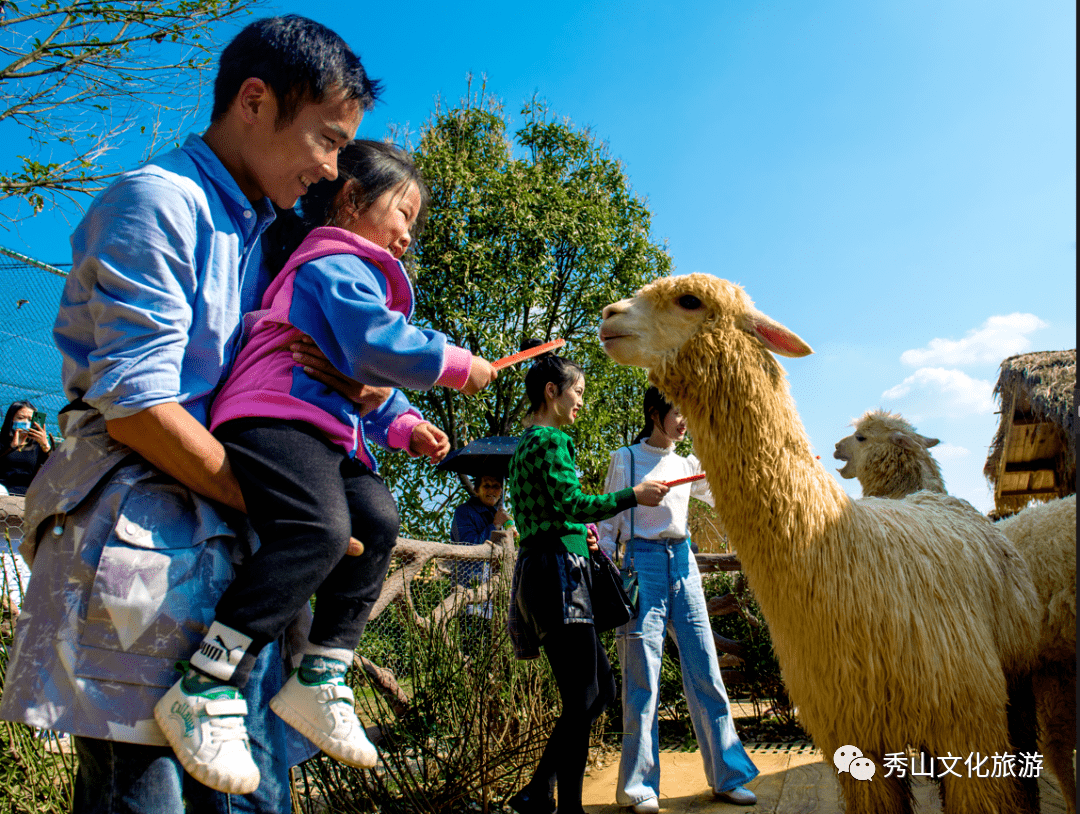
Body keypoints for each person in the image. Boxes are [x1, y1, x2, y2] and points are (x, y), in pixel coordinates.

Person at [0, 15, 385, 813]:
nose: (332, 167)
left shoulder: (272, 240)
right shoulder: (158, 204)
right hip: (141, 542)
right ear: (254, 100)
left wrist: (354, 384)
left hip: (231, 561)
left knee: (251, 794)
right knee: (146, 795)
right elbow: (139, 408)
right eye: (324, 139)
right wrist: (289, 516)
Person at [153, 138, 497, 792]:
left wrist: (405, 425)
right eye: (404, 212)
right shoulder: (332, 260)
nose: (408, 233)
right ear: (352, 198)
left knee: (376, 515)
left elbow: (365, 379)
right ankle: (205, 680)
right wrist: (456, 365)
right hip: (270, 416)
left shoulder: (362, 277)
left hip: (322, 434)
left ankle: (323, 672)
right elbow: (373, 341)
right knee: (317, 528)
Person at [505, 345, 668, 814]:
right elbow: (572, 502)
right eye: (577, 392)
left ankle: (540, 791)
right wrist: (633, 495)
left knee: (598, 693)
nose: (581, 402)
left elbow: (553, 513)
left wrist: (583, 536)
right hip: (557, 578)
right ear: (551, 392)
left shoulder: (524, 446)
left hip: (547, 570)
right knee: (586, 697)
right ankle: (564, 806)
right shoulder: (551, 441)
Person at [598, 388, 758, 812]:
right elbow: (609, 523)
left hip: (683, 563)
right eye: (677, 412)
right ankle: (638, 788)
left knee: (706, 669)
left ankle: (728, 777)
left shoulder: (689, 463)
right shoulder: (626, 459)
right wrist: (607, 566)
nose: (684, 420)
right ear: (655, 413)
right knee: (641, 680)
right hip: (640, 564)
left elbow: (728, 489)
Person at [450, 472, 513, 655]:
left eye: (496, 486)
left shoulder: (498, 514)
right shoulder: (464, 512)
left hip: (496, 598)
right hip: (471, 594)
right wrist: (494, 526)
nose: (492, 490)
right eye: (487, 486)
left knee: (494, 654)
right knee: (474, 650)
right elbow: (468, 546)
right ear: (477, 490)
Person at [0, 401, 52, 496]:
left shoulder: (37, 445)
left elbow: (54, 467)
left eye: (29, 419)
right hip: (3, 489)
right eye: (20, 418)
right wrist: (11, 447)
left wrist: (46, 447)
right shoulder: (2, 440)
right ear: (11, 419)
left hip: (28, 492)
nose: (25, 422)